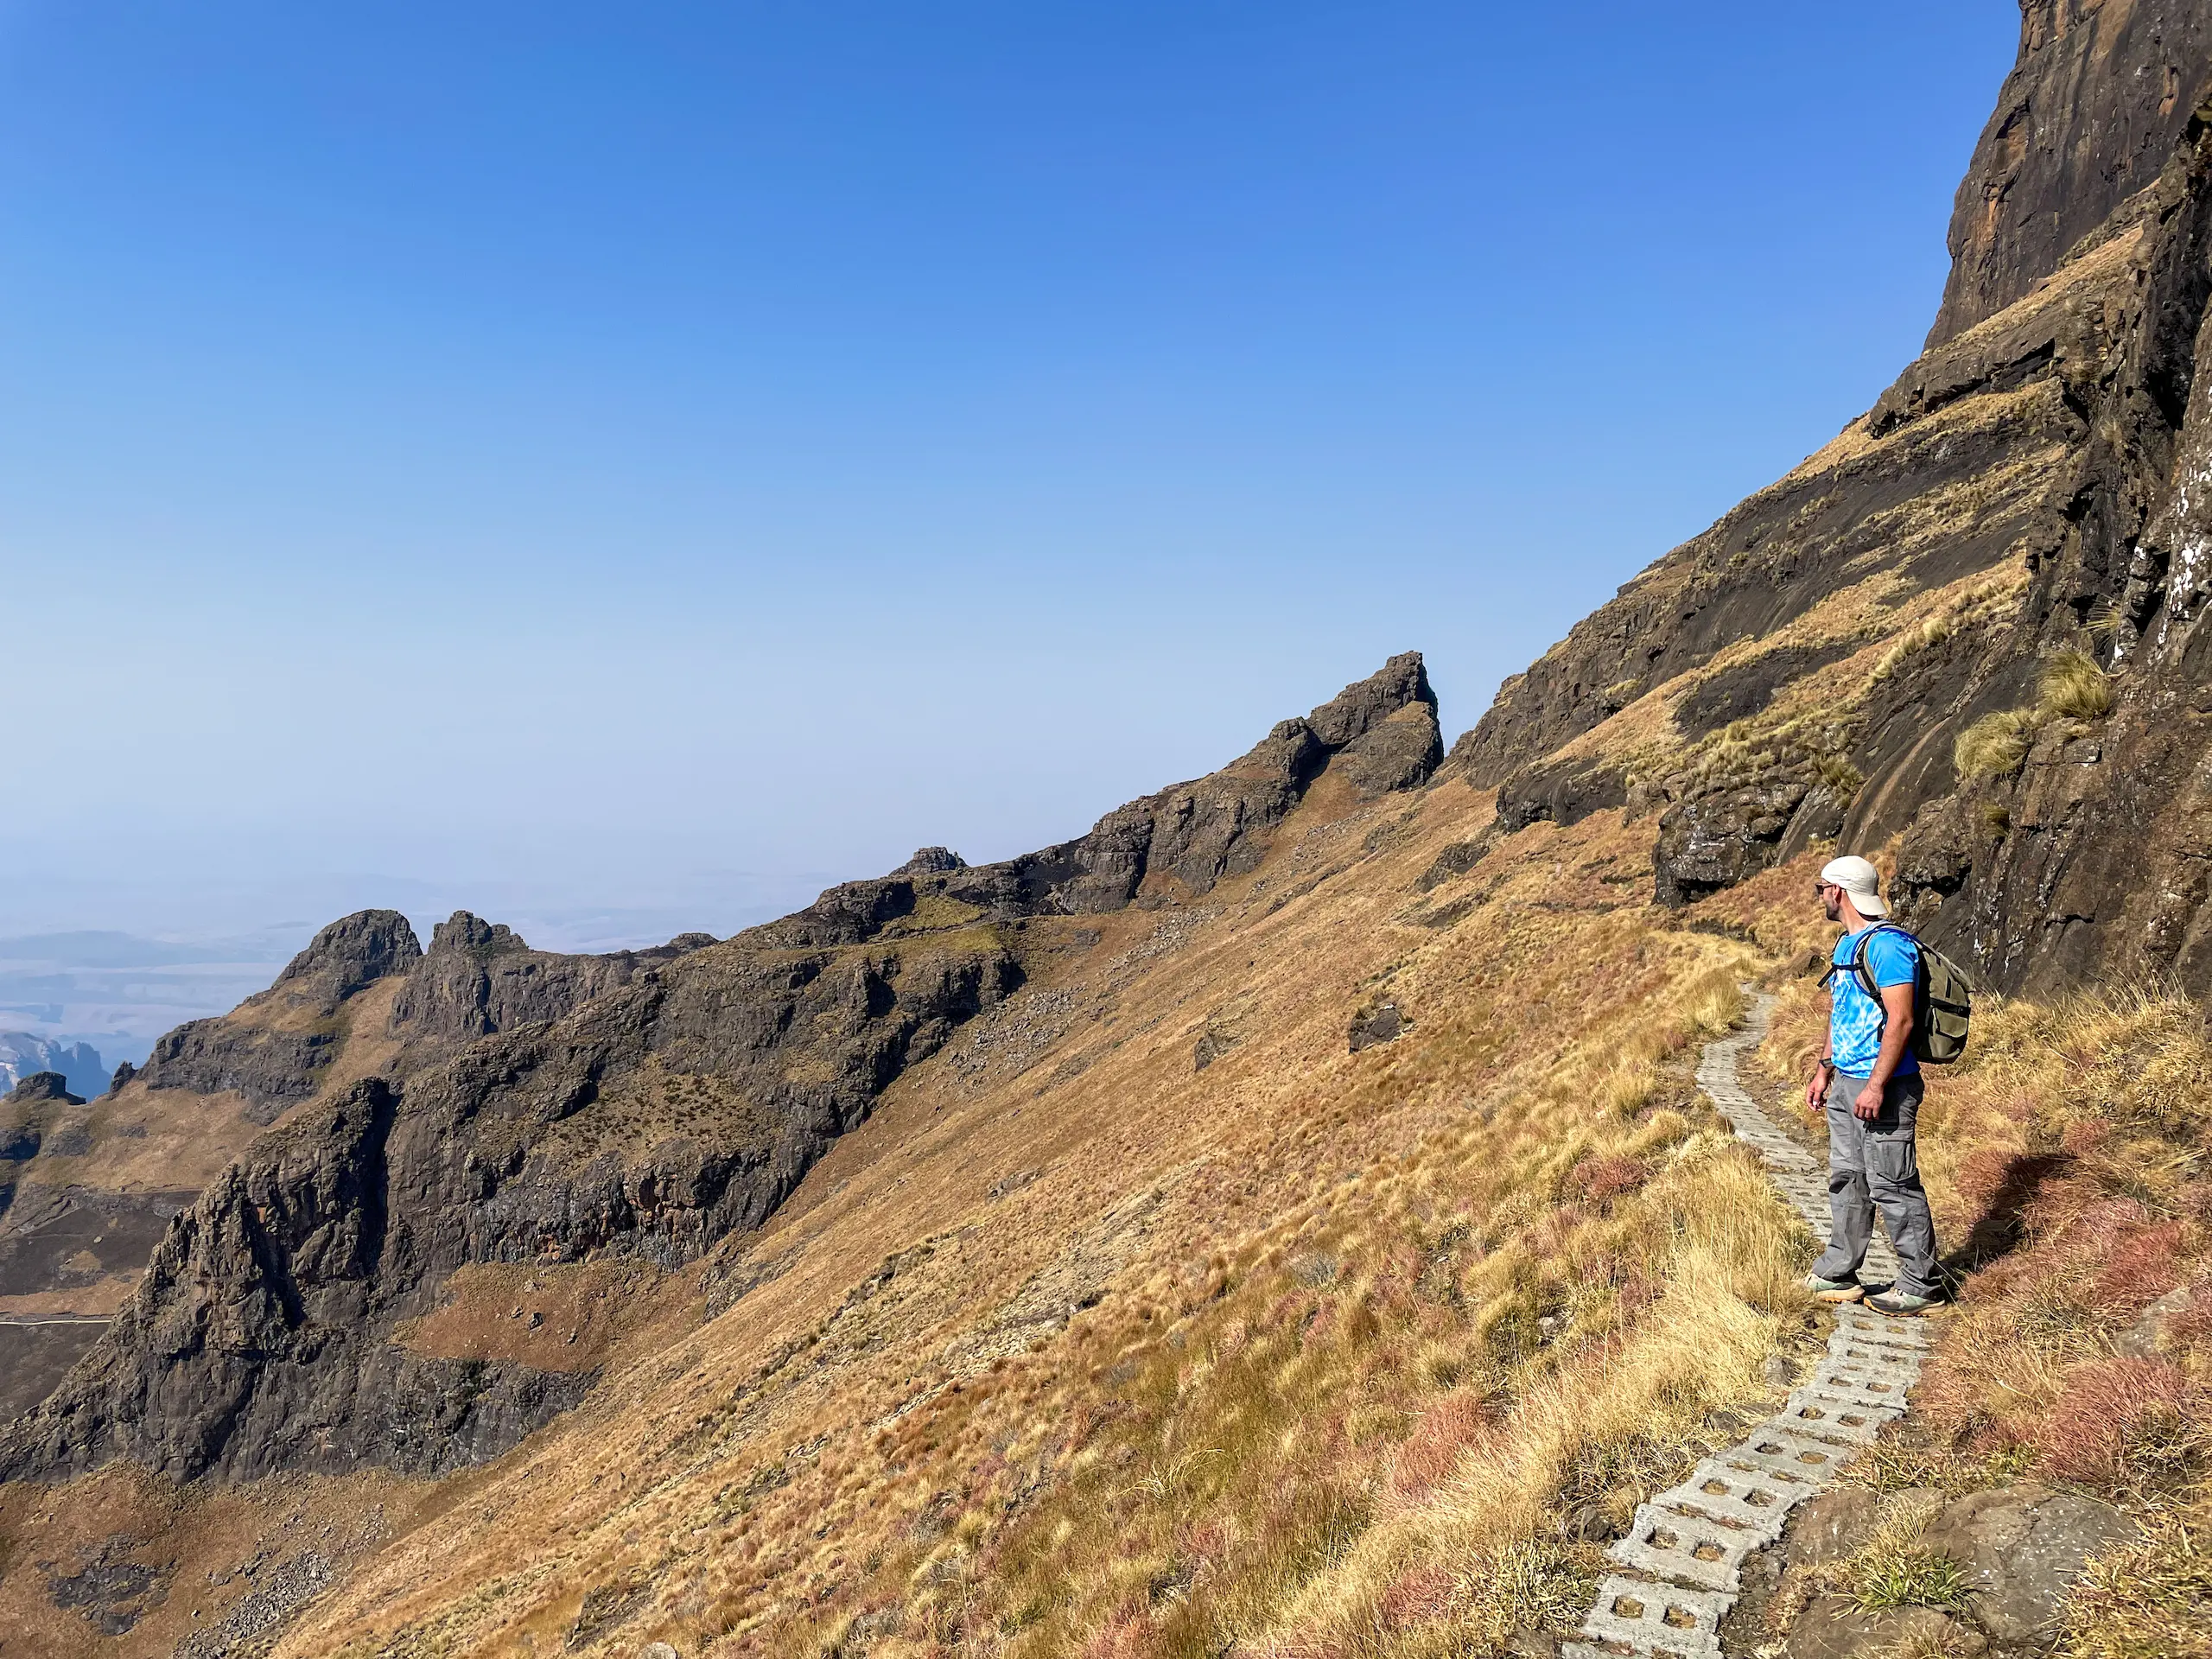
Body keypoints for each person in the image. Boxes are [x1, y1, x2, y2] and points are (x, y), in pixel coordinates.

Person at [1801, 855, 1943, 1315]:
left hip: (1884, 1087)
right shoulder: (1848, 945)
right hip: (1847, 1082)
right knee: (1849, 1178)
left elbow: (1900, 1020)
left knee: (1893, 1183)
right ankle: (1838, 1270)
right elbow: (1839, 1012)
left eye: (1821, 887)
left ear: (1839, 892)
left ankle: (1920, 1284)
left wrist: (1877, 1084)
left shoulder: (1889, 947)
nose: (1819, 895)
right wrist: (1825, 1069)